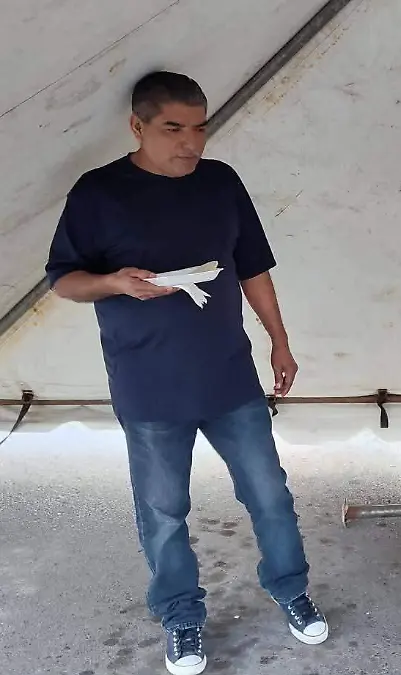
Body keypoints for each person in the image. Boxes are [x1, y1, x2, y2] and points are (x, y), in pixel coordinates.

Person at [44, 72, 327, 675]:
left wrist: (279, 339)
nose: (190, 143)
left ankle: (290, 589)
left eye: (199, 128)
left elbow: (253, 267)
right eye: (173, 129)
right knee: (164, 511)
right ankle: (181, 618)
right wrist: (115, 283)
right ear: (137, 126)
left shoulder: (222, 183)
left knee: (269, 493)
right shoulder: (98, 193)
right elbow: (63, 278)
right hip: (148, 384)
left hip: (228, 375)